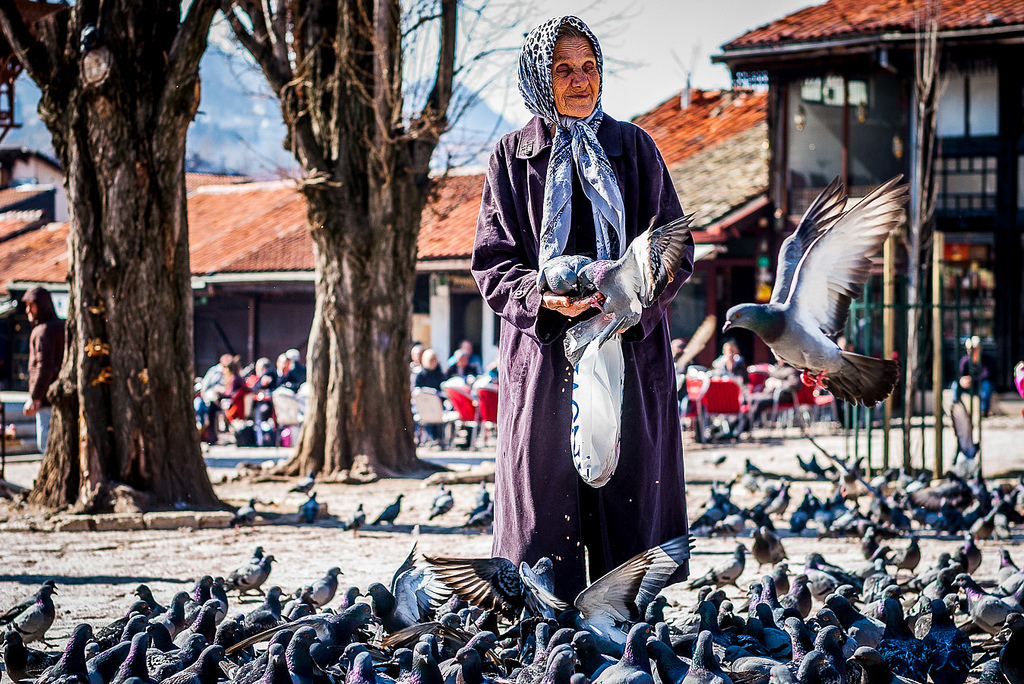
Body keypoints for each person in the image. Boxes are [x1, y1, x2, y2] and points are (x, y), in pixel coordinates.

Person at [470, 16, 693, 598]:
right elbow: (493, 264)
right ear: (538, 79)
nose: (579, 80)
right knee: (546, 499)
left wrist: (632, 301)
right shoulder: (511, 158)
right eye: (562, 69)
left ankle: (628, 617)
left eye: (589, 67)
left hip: (627, 350)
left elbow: (676, 245)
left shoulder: (634, 149)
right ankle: (548, 621)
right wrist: (543, 299)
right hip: (546, 359)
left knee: (627, 491)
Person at [22, 287, 64, 454]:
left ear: (42, 305)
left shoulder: (44, 331)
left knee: (47, 447)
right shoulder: (60, 326)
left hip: (47, 400)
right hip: (59, 398)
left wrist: (35, 397)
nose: (28, 310)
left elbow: (44, 367)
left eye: (31, 305)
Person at [952, 336, 994, 415]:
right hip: (969, 385)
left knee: (987, 385)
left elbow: (987, 375)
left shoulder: (987, 360)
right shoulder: (964, 360)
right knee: (955, 384)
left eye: (975, 349)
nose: (972, 351)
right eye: (970, 349)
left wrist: (972, 379)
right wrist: (962, 381)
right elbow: (960, 374)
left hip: (980, 385)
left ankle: (983, 410)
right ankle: (955, 405)